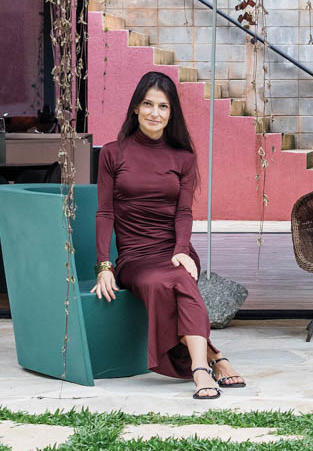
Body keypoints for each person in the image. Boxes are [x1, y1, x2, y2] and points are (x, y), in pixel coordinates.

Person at [91, 71, 243, 398]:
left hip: (174, 248)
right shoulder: (112, 154)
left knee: (180, 277)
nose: (154, 113)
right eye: (148, 104)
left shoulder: (183, 157)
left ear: (171, 113)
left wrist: (182, 249)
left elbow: (184, 212)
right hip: (135, 256)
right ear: (135, 108)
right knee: (163, 283)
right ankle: (216, 357)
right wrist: (104, 265)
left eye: (163, 106)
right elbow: (105, 212)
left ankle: (199, 370)